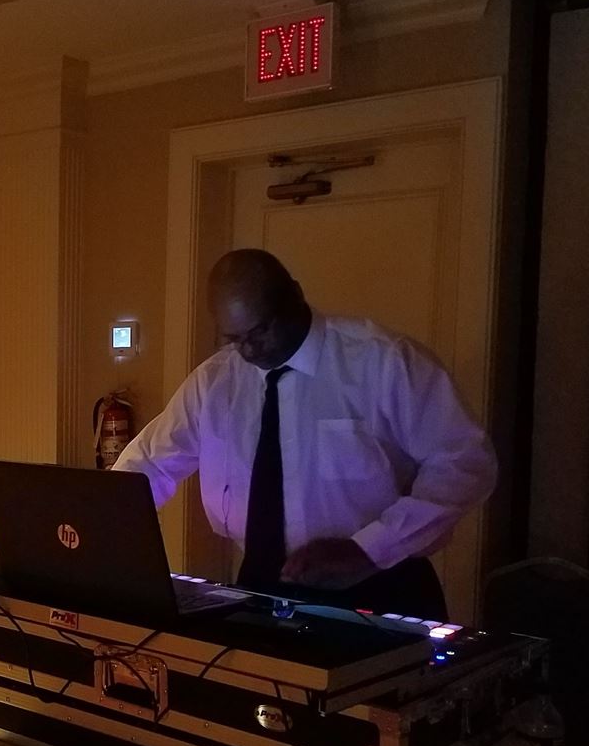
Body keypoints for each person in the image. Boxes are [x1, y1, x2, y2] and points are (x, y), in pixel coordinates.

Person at [113, 248, 497, 619]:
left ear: (295, 295)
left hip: (382, 585)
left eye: (261, 330)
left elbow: (464, 462)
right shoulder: (215, 383)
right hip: (261, 588)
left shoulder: (384, 361)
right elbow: (149, 464)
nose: (249, 350)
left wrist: (369, 549)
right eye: (234, 339)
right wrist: (103, 530)